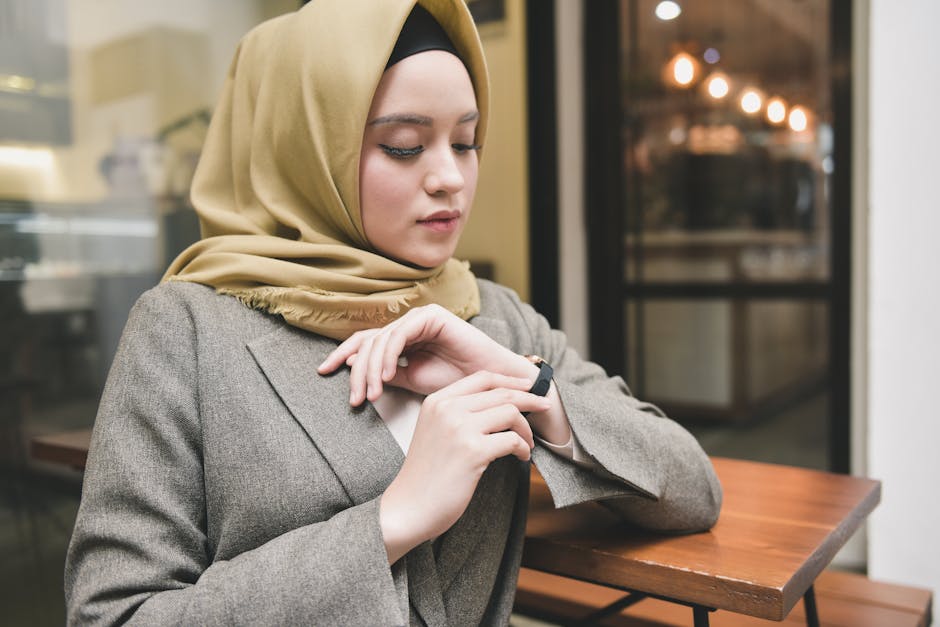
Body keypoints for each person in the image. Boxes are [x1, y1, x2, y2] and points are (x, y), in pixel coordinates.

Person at [64, 1, 722, 625]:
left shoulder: (490, 316)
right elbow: (114, 611)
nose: (450, 178)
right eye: (405, 145)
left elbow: (695, 489)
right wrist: (390, 522)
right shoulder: (185, 329)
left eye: (465, 142)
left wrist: (533, 385)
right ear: (306, 151)